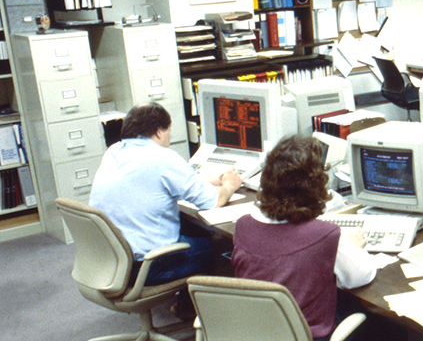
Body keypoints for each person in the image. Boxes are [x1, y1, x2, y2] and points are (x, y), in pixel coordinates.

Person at [232, 134, 377, 341]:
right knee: (373, 319)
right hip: (307, 336)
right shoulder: (324, 235)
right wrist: (354, 247)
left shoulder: (243, 225)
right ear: (315, 187)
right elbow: (360, 276)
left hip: (255, 333)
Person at [90, 102, 241, 285]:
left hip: (113, 263)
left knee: (191, 228)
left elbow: (154, 180)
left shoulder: (113, 151)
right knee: (220, 246)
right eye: (168, 130)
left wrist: (211, 180)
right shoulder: (163, 157)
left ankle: (185, 299)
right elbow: (214, 200)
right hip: (148, 267)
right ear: (159, 132)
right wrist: (229, 186)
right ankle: (196, 301)